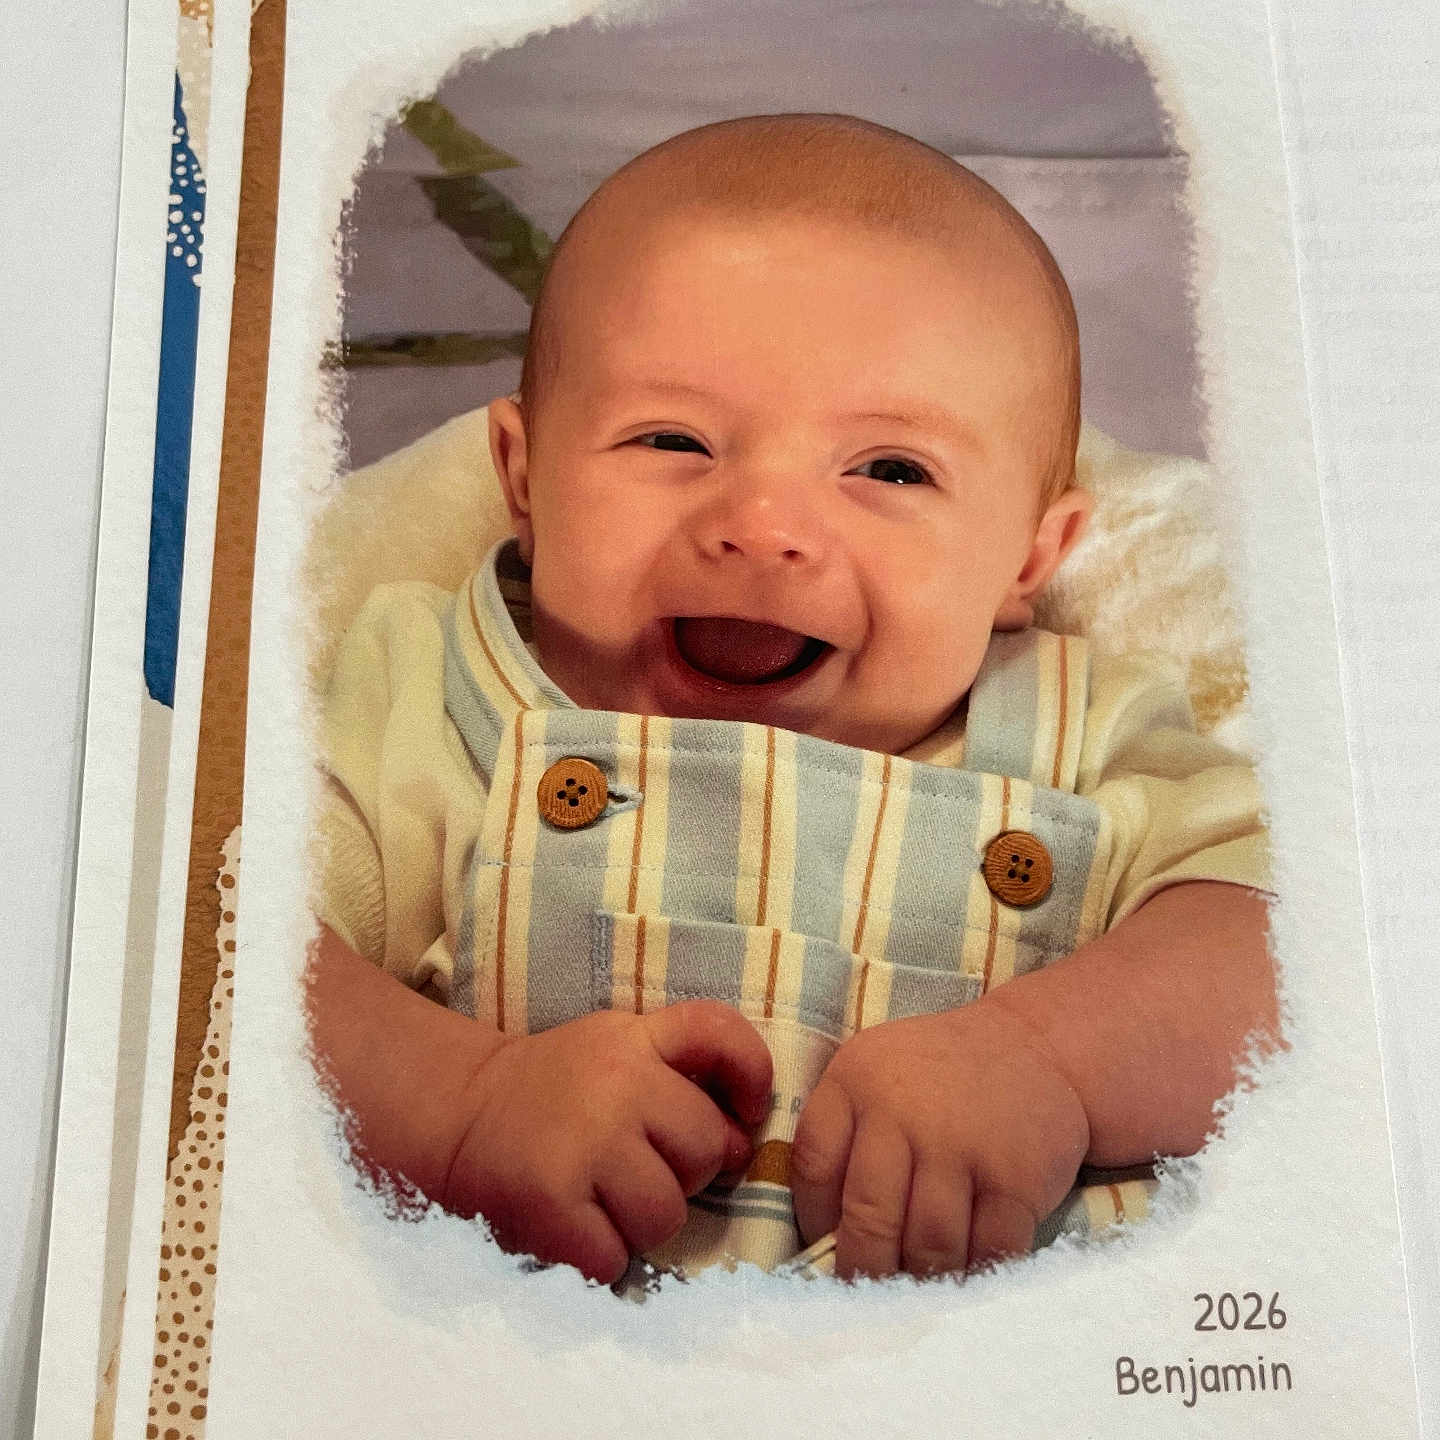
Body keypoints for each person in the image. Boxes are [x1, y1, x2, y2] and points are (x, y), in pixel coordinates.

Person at [308, 113, 1275, 1288]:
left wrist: (1051, 1063)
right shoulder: (432, 694)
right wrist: (462, 1106)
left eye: (891, 470)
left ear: (1029, 555)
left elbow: (1285, 942)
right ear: (524, 479)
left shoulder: (1087, 732)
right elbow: (227, 958)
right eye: (674, 439)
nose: (763, 527)